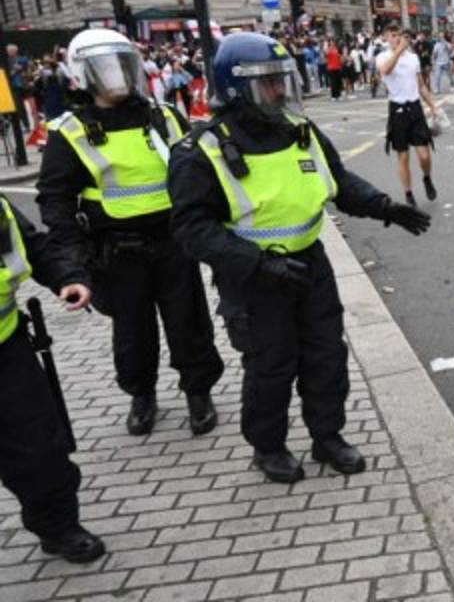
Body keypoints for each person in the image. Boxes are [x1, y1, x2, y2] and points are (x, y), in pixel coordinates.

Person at [167, 32, 431, 483]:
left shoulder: (300, 131)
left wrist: (385, 208)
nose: (278, 91)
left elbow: (340, 182)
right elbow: (193, 230)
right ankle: (268, 447)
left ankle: (327, 437)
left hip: (309, 265)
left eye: (280, 80)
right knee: (271, 366)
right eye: (267, 83)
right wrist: (256, 263)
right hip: (253, 278)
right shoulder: (202, 152)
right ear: (237, 89)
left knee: (326, 356)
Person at [36, 28, 224, 437]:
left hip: (173, 241)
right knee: (133, 333)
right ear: (84, 75)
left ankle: (198, 392)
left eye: (122, 65)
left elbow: (198, 173)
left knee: (188, 322)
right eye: (105, 68)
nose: (116, 75)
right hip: (117, 250)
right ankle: (142, 395)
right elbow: (56, 202)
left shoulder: (163, 116)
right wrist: (71, 270)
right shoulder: (69, 131)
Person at [0, 193, 107, 563]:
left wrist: (68, 276)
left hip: (6, 349)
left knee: (41, 447)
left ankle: (58, 527)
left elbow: (33, 247)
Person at [376, 26, 439, 207]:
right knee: (402, 157)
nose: (397, 39)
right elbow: (385, 71)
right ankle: (408, 193)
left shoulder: (413, 58)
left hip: (415, 108)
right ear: (386, 38)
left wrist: (433, 105)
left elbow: (421, 86)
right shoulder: (382, 57)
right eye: (393, 36)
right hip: (397, 109)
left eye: (400, 36)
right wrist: (398, 51)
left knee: (424, 155)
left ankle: (426, 178)